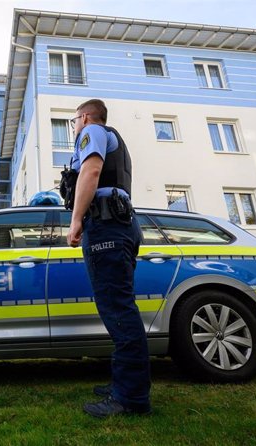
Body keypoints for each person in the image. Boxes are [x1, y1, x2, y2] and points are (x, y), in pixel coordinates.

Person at [65, 99, 152, 418]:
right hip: (119, 225)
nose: (74, 126)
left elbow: (91, 170)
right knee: (120, 308)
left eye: (74, 120)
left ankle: (130, 397)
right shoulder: (109, 135)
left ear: (85, 117)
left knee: (118, 309)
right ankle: (126, 384)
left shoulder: (93, 132)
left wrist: (76, 220)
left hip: (107, 228)